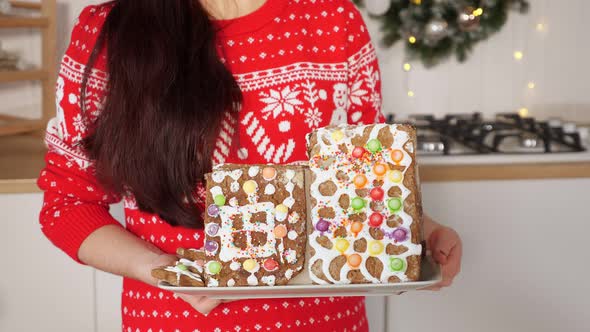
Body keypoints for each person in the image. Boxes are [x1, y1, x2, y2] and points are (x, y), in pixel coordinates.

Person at [37, 0, 462, 331]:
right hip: (174, 323)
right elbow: (66, 205)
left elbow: (360, 180)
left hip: (326, 324)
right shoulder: (108, 33)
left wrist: (419, 229)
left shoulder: (335, 20)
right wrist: (159, 269)